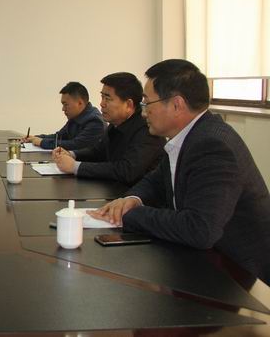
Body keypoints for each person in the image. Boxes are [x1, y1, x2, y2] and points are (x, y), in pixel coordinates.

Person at [90, 60, 270, 285]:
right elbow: (156, 181)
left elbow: (199, 229)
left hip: (239, 274)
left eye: (147, 103)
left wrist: (128, 215)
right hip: (207, 259)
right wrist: (131, 199)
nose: (143, 112)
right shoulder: (189, 136)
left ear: (176, 105)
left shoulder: (213, 146)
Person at [54, 73, 165, 186]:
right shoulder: (116, 123)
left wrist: (75, 167)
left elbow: (126, 170)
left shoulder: (147, 129)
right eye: (102, 97)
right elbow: (98, 152)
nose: (102, 104)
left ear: (128, 105)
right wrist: (72, 154)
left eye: (107, 99)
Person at [24, 82, 104, 150]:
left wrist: (42, 142)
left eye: (66, 105)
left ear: (79, 103)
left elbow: (75, 145)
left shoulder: (95, 122)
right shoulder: (76, 117)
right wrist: (35, 138)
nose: (63, 109)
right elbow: (59, 136)